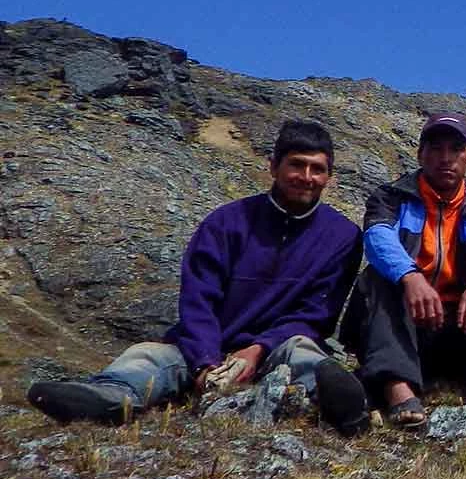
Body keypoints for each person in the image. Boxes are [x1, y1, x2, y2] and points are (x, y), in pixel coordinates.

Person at [26, 119, 366, 432]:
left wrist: (258, 349)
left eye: (317, 169)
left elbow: (316, 314)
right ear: (274, 166)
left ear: (329, 177)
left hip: (276, 349)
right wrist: (206, 360)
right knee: (149, 355)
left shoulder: (343, 237)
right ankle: (108, 397)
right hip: (206, 348)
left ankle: (341, 405)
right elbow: (198, 299)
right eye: (296, 165)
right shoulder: (226, 222)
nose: (306, 177)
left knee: (305, 351)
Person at [343, 112, 466, 432]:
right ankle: (398, 388)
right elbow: (377, 237)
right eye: (435, 148)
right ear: (420, 154)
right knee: (377, 277)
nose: (446, 158)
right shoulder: (391, 198)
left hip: (465, 324)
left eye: (455, 149)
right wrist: (410, 276)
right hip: (411, 327)